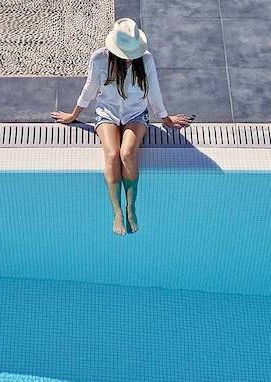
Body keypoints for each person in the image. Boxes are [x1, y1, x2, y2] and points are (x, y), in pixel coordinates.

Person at [52, 18, 192, 235]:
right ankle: (116, 211)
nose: (129, 59)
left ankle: (130, 206)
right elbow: (89, 88)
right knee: (112, 154)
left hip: (136, 114)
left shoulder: (146, 60)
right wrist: (73, 115)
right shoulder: (99, 59)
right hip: (107, 113)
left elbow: (154, 91)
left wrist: (165, 119)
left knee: (127, 154)